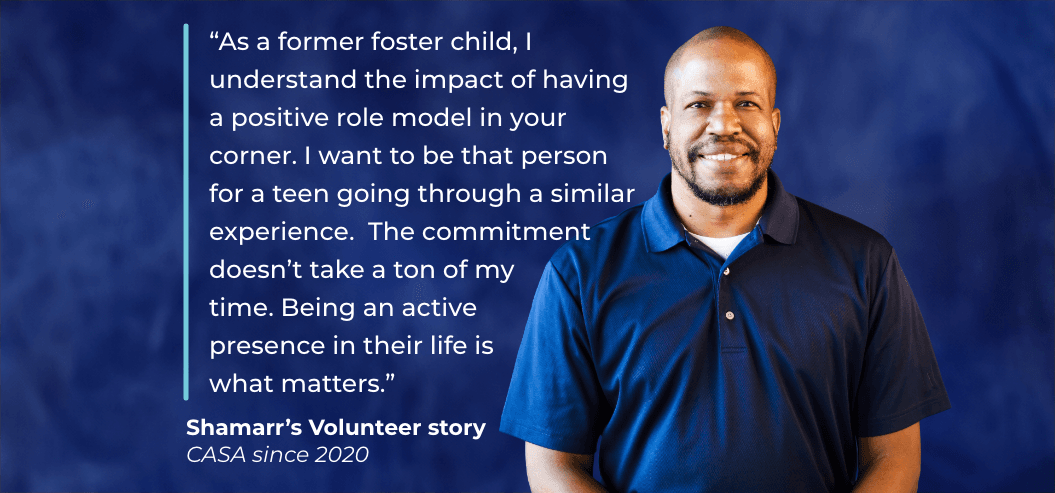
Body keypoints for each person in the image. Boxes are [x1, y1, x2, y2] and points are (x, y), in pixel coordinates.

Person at [500, 26, 951, 492]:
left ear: (774, 123)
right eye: (699, 104)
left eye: (746, 103)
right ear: (666, 124)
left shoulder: (865, 263)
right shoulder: (580, 273)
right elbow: (555, 469)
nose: (724, 124)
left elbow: (894, 462)